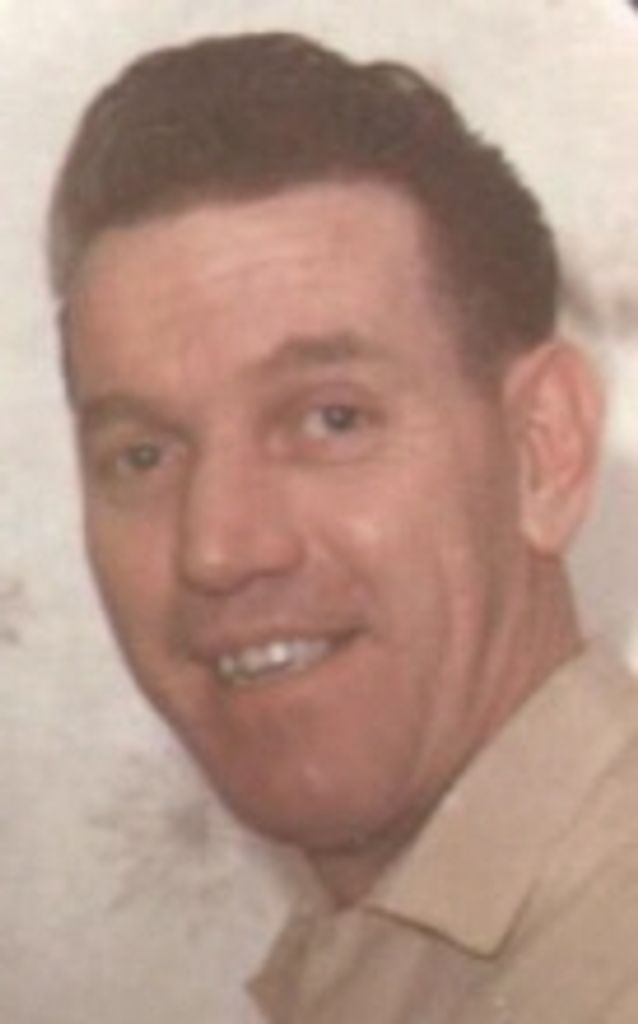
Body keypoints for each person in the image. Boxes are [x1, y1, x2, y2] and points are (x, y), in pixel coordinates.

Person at [47, 31, 638, 1024]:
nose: (217, 548)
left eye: (331, 419)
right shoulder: (387, 957)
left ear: (542, 451)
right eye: (143, 455)